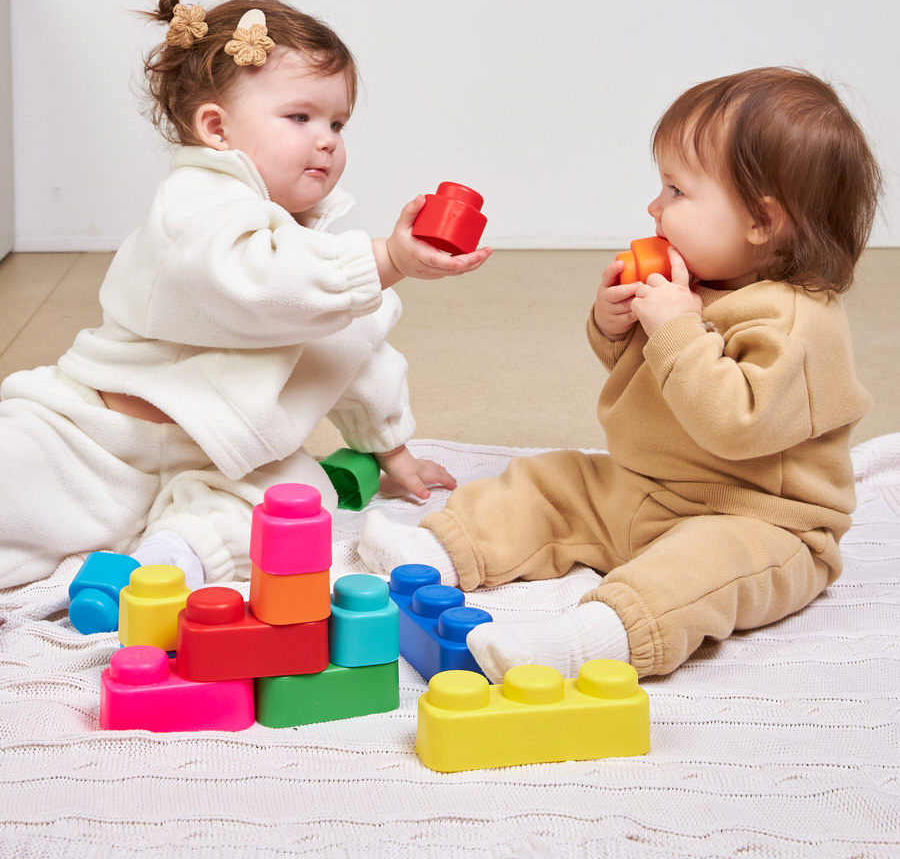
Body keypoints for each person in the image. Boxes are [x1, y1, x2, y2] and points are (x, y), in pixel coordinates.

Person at [359, 67, 881, 680]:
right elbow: (653, 381)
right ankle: (437, 550)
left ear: (762, 222)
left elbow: (735, 424)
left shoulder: (796, 322)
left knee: (701, 569)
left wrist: (676, 329)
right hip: (649, 488)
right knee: (556, 480)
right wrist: (617, 327)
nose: (654, 206)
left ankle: (595, 636)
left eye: (677, 191)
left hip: (759, 520)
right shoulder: (697, 282)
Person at [0, 0, 490, 591]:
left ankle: (175, 556)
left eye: (337, 123)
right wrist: (385, 260)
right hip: (96, 435)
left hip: (222, 456)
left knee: (301, 498)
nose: (328, 140)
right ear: (216, 128)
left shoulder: (310, 251)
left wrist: (391, 450)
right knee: (16, 471)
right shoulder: (195, 212)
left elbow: (353, 351)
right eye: (300, 117)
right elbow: (259, 283)